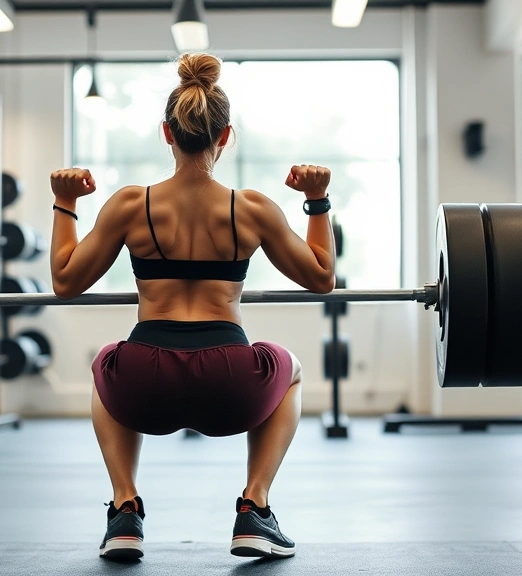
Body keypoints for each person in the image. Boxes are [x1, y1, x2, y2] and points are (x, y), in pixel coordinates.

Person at [48, 53, 335, 561]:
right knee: (290, 369)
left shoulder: (130, 205)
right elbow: (321, 277)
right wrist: (317, 199)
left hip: (144, 386)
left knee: (105, 363)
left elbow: (66, 281)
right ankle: (255, 509)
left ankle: (124, 510)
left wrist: (65, 203)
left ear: (167, 132)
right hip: (231, 386)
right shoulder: (252, 209)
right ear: (225, 137)